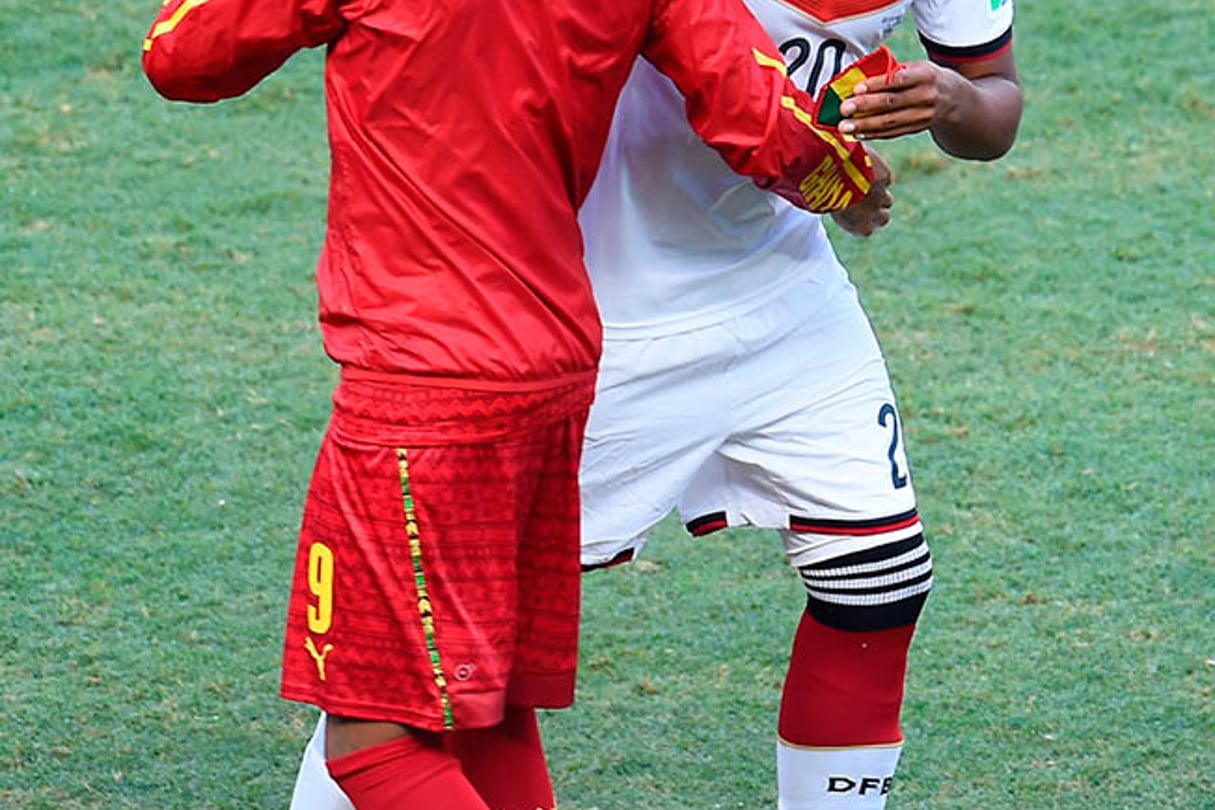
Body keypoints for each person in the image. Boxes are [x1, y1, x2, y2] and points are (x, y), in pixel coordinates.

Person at [140, 0, 879, 807]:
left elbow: (181, 57)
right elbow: (764, 123)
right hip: (556, 366)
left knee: (372, 741)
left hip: (420, 381)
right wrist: (847, 180)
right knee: (489, 709)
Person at [286, 0, 1022, 809]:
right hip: (605, 312)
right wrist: (827, 174)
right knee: (434, 651)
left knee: (879, 589)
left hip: (785, 291)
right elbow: (736, 105)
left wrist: (950, 101)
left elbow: (995, 106)